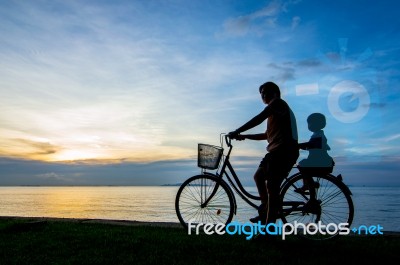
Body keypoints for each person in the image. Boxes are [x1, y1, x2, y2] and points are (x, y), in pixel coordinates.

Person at [228, 81, 299, 235]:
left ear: (275, 93)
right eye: (261, 93)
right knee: (259, 177)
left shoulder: (277, 103)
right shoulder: (275, 112)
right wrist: (244, 136)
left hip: (283, 151)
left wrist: (237, 130)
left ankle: (269, 230)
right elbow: (266, 135)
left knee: (272, 188)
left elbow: (259, 118)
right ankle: (266, 211)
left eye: (265, 92)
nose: (262, 95)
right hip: (276, 151)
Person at [296, 113, 334, 193]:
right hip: (320, 160)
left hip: (319, 161)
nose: (308, 125)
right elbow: (312, 145)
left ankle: (308, 184)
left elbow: (312, 145)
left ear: (315, 124)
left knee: (302, 165)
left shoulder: (318, 135)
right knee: (303, 165)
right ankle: (310, 184)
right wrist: (301, 146)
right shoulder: (318, 134)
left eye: (309, 123)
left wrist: (298, 145)